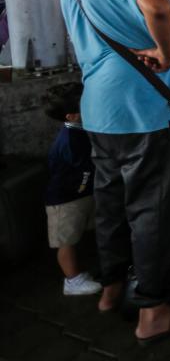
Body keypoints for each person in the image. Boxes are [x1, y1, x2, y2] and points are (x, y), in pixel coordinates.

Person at [59, 0, 170, 342]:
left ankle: (111, 286)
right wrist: (165, 50)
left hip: (99, 111)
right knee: (150, 211)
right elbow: (157, 9)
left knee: (112, 204)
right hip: (141, 111)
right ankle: (153, 311)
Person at [42, 83, 101, 297]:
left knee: (80, 232)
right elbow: (85, 167)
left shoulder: (80, 129)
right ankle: (72, 280)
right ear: (72, 116)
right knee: (65, 240)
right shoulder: (70, 141)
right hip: (66, 199)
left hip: (82, 192)